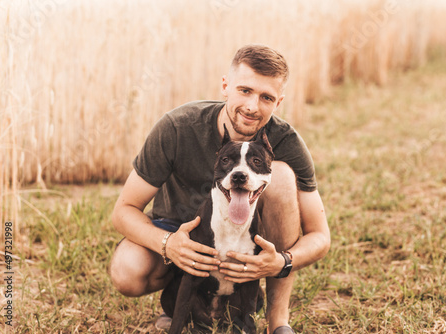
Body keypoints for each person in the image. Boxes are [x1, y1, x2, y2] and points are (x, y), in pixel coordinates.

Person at [109, 44, 331, 334]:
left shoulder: (285, 141)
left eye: (266, 97)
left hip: (246, 240)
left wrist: (281, 261)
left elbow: (320, 236)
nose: (253, 106)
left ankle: (278, 322)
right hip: (177, 229)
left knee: (283, 175)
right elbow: (123, 211)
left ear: (278, 103)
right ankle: (183, 305)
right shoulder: (178, 127)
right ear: (225, 86)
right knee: (127, 271)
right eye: (245, 90)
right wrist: (168, 243)